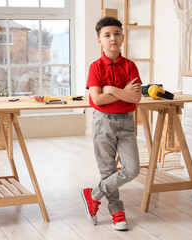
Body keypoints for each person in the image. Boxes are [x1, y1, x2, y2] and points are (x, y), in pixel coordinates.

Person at [81, 16, 142, 231]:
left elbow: (135, 98)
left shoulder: (130, 66)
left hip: (126, 123)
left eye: (116, 34)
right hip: (103, 122)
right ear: (99, 40)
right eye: (107, 35)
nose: (112, 38)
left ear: (123, 37)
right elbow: (97, 100)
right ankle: (117, 212)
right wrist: (124, 92)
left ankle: (94, 193)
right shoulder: (96, 67)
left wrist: (113, 90)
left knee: (132, 169)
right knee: (107, 170)